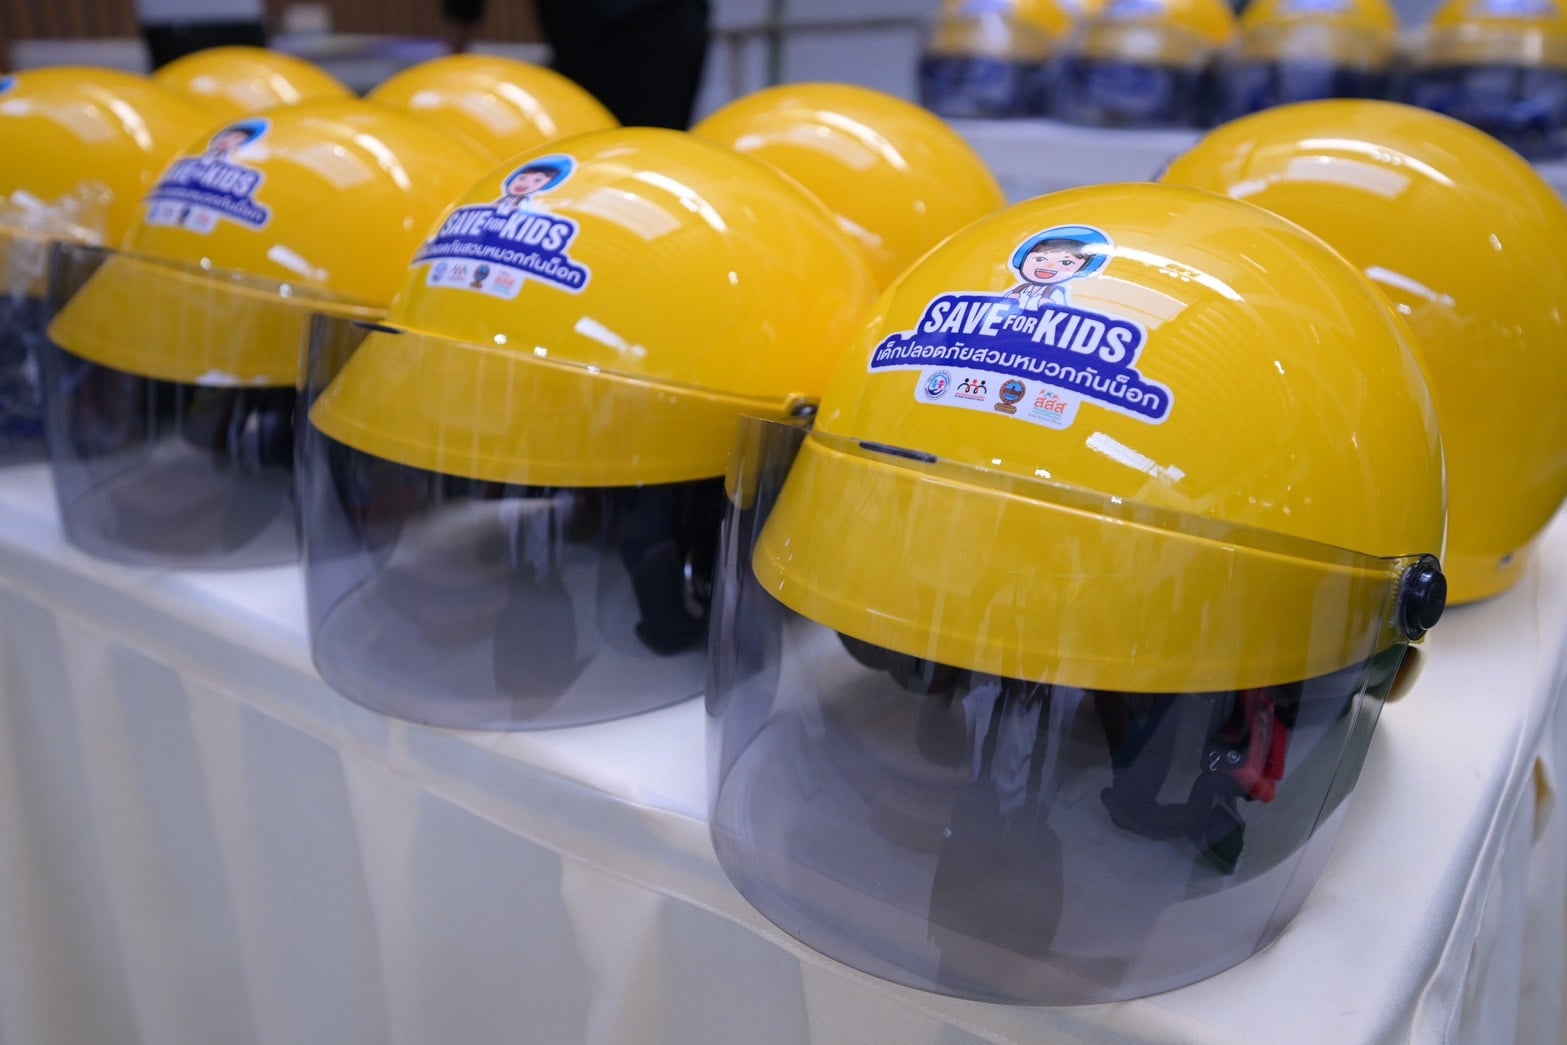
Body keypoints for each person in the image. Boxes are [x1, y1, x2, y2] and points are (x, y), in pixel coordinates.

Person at [1005, 227, 1108, 309]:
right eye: (1040, 259)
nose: (1049, 266)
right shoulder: (1019, 290)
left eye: (1066, 262)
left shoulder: (1056, 292)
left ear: (1082, 268)